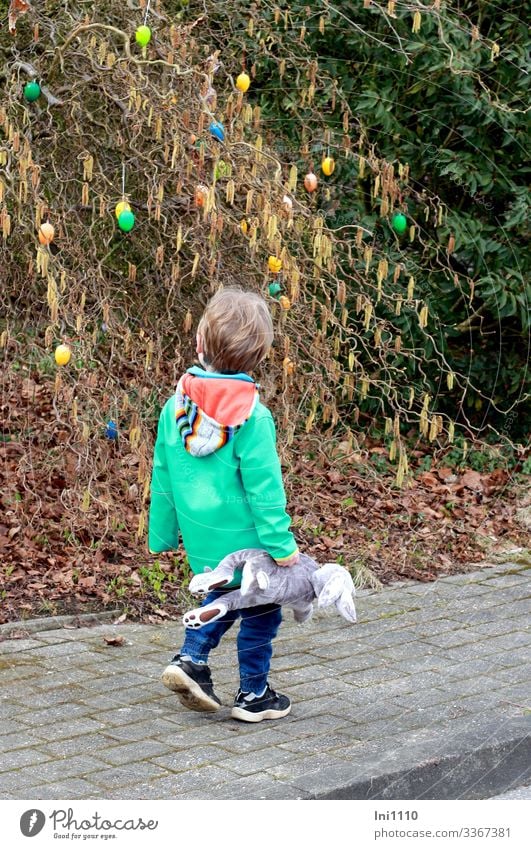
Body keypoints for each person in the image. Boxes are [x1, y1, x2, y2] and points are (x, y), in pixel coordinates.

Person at [147, 286, 299, 722]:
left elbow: (163, 477)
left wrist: (162, 532)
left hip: (203, 539)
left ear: (199, 344)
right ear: (260, 356)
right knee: (261, 612)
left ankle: (191, 658)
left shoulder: (173, 409)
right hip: (251, 546)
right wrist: (281, 547)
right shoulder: (254, 418)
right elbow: (264, 490)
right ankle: (254, 695)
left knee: (220, 595)